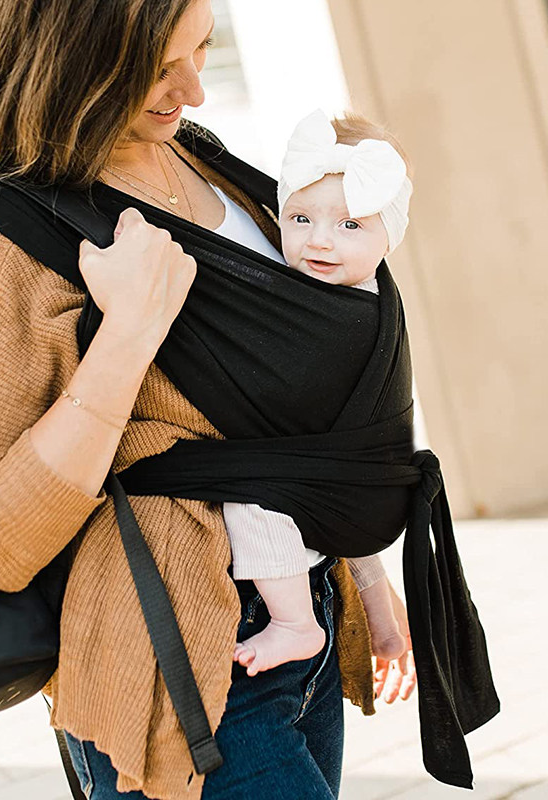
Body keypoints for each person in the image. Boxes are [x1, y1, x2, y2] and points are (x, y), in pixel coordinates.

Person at [0, 1, 417, 798]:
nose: (192, 90)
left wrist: (365, 578)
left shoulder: (195, 154)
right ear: (72, 53)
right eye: (158, 65)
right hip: (180, 662)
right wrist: (128, 335)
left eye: (203, 51)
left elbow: (295, 409)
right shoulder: (1, 233)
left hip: (301, 624)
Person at [224, 109, 414, 678]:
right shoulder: (341, 290)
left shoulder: (362, 310)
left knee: (250, 497)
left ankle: (294, 623)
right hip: (341, 480)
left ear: (390, 236)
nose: (319, 241)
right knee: (332, 514)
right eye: (300, 218)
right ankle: (380, 614)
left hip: (331, 467)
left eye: (350, 225)